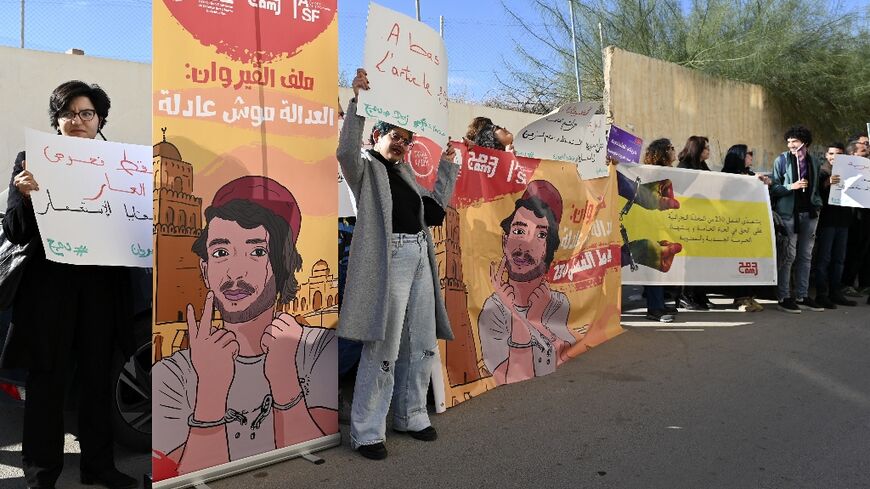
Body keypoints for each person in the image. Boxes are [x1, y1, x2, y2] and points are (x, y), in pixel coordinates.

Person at [0, 81, 137, 489]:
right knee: (47, 384)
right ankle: (41, 474)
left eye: (86, 113)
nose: (77, 121)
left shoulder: (121, 163)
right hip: (50, 292)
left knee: (98, 381)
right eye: (68, 113)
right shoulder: (32, 159)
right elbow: (14, 229)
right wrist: (23, 196)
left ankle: (99, 466)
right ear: (56, 120)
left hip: (100, 293)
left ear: (100, 120)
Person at [150, 176, 334, 477]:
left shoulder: (317, 350)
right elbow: (176, 475)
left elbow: (314, 448)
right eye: (221, 252)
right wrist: (209, 392)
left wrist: (285, 380)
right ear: (205, 269)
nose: (235, 271)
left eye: (257, 251)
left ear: (282, 264)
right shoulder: (172, 376)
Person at [336, 68, 459, 460]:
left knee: (420, 341)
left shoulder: (403, 171)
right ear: (378, 135)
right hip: (389, 258)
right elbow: (343, 152)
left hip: (420, 255)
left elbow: (434, 213)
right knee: (383, 346)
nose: (402, 146)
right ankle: (368, 431)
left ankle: (411, 414)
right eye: (395, 138)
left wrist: (448, 168)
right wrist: (357, 103)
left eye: (406, 141)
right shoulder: (364, 167)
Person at [478, 180, 577, 382]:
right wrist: (517, 314)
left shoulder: (557, 302)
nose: (525, 244)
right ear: (504, 241)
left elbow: (562, 354)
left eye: (540, 235)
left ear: (548, 249)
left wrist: (534, 318)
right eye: (519, 231)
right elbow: (511, 376)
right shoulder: (493, 310)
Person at [769, 126, 824, 313]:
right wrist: (791, 186)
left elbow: (816, 188)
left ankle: (802, 295)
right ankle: (784, 296)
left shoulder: (813, 161)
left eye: (795, 141)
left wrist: (817, 203)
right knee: (789, 256)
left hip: (809, 214)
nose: (791, 145)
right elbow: (774, 187)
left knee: (806, 256)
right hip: (788, 214)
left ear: (805, 143)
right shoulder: (782, 160)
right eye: (789, 142)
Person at [720, 144, 770, 312]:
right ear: (739, 156)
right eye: (749, 154)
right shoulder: (726, 177)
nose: (751, 157)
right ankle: (740, 299)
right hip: (734, 227)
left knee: (751, 262)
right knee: (737, 263)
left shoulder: (751, 175)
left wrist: (764, 183)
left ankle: (749, 296)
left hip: (750, 227)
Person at [639, 139, 680, 322]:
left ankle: (659, 303)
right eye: (671, 148)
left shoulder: (674, 172)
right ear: (662, 152)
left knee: (661, 263)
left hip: (665, 225)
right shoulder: (651, 173)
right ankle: (654, 309)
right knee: (656, 264)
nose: (674, 150)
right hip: (651, 225)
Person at [812, 142, 855, 308]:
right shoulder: (822, 173)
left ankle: (835, 292)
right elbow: (815, 194)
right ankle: (822, 294)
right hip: (827, 222)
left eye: (837, 154)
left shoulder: (850, 173)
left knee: (839, 259)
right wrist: (826, 184)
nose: (833, 157)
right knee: (824, 259)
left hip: (844, 222)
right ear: (826, 155)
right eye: (831, 154)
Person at [676, 135, 713, 309]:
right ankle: (685, 294)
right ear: (697, 149)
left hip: (702, 219)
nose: (708, 151)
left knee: (702, 259)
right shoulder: (684, 167)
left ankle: (699, 294)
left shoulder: (702, 165)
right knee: (690, 260)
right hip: (689, 219)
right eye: (706, 148)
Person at [841, 136, 870, 298]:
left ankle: (865, 283)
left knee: (865, 249)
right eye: (863, 145)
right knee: (853, 248)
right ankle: (847, 283)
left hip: (867, 212)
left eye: (868, 145)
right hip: (852, 213)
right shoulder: (847, 166)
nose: (866, 147)